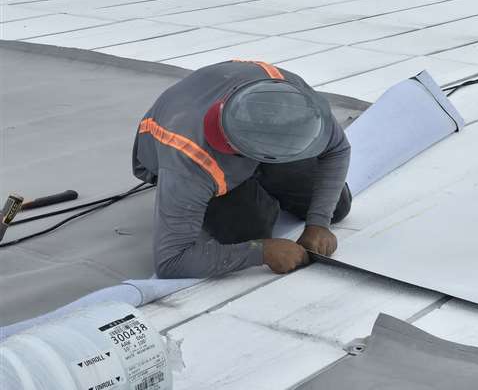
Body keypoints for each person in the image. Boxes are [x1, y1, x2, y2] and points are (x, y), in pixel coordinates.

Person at [133, 60, 351, 279]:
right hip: (183, 153)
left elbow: (338, 148)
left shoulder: (294, 99)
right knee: (249, 232)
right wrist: (261, 252)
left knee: (337, 207)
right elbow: (171, 261)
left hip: (251, 132)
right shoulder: (190, 159)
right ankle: (248, 198)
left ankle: (265, 185)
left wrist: (318, 222)